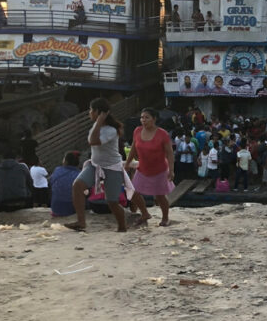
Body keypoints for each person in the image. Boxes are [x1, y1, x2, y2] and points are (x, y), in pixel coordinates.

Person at [66, 98, 148, 232]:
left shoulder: (111, 130)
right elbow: (91, 139)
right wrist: (98, 122)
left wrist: (99, 121)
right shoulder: (96, 127)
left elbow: (93, 141)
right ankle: (81, 222)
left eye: (91, 110)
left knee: (112, 202)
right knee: (77, 186)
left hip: (112, 167)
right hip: (95, 165)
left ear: (98, 112)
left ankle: (122, 227)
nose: (89, 113)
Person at [126, 108, 175, 227]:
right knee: (132, 192)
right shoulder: (137, 131)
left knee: (160, 195)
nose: (143, 120)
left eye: (146, 117)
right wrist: (128, 162)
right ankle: (145, 214)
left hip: (160, 170)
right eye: (142, 117)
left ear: (154, 119)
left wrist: (171, 170)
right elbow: (133, 148)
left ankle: (165, 218)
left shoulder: (162, 133)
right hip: (143, 169)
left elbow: (169, 153)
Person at [49, 151, 82, 217]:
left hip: (56, 208)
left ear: (65, 161)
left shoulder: (57, 170)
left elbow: (51, 182)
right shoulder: (80, 174)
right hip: (72, 209)